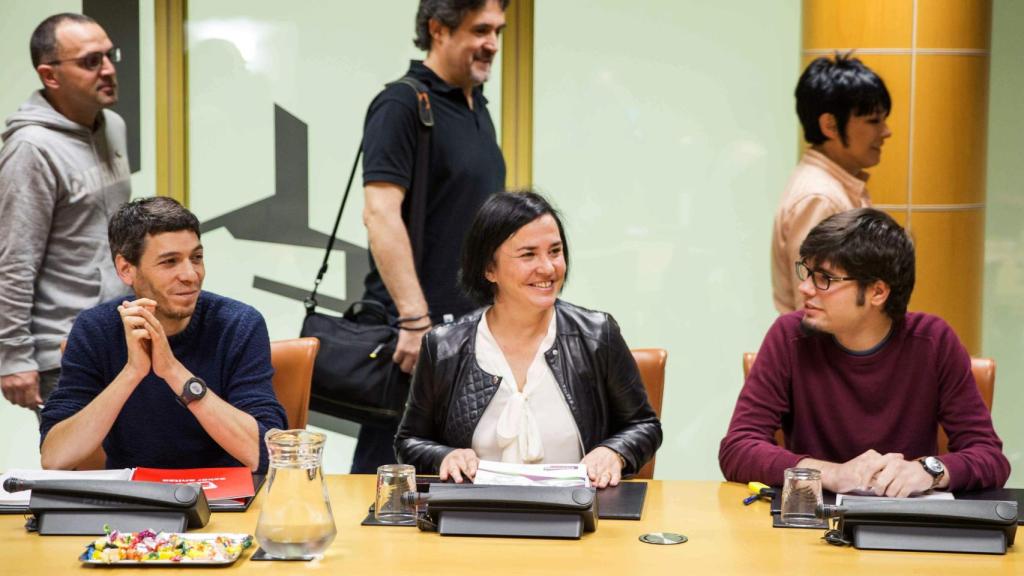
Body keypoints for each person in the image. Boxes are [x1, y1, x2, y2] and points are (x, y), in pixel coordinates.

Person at [721, 208, 1010, 495]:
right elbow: (738, 447)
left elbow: (990, 456)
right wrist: (832, 473)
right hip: (811, 524)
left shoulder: (933, 341)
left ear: (877, 292)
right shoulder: (789, 336)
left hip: (905, 521)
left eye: (824, 278)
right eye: (807, 272)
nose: (805, 287)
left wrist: (928, 471)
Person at [396, 191, 662, 488]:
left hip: (578, 513)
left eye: (555, 251)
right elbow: (409, 441)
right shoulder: (443, 347)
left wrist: (614, 452)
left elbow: (644, 426)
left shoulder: (597, 335)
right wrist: (444, 456)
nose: (548, 268)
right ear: (489, 269)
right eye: (528, 254)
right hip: (473, 516)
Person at [354, 0, 508, 472]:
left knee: (460, 481)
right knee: (391, 482)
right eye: (480, 30)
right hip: (417, 336)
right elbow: (380, 214)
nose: (493, 44)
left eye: (498, 31)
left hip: (469, 331)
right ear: (438, 30)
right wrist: (414, 320)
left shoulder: (475, 106)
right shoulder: (402, 103)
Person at [40, 197, 286, 472]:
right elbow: (55, 457)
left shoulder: (238, 324)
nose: (191, 275)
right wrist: (132, 372)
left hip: (226, 502)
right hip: (134, 502)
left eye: (196, 258)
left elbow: (266, 453)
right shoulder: (96, 330)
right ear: (126, 269)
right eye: (170, 262)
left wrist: (172, 371)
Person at [0, 13, 131, 413]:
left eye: (110, 56)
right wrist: (14, 357)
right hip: (64, 352)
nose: (108, 70)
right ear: (50, 75)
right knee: (79, 473)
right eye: (91, 61)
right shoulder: (30, 149)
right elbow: (13, 260)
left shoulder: (112, 126)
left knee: (129, 466)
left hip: (119, 336)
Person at [771, 53, 891, 313]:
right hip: (827, 354)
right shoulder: (820, 197)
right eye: (873, 121)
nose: (885, 132)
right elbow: (814, 308)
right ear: (830, 125)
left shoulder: (835, 186)